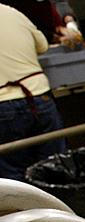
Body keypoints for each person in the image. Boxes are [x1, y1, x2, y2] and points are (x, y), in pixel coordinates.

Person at [0, 4, 66, 182]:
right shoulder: (12, 12)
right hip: (39, 96)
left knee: (14, 178)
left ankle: (30, 209)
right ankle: (61, 209)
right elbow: (42, 46)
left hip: (2, 104)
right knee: (56, 167)